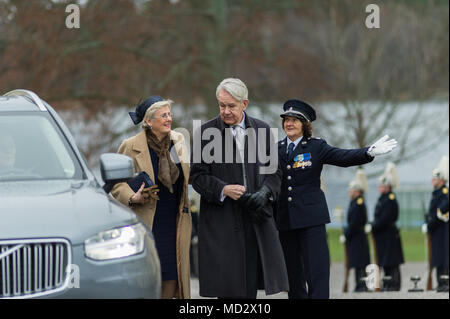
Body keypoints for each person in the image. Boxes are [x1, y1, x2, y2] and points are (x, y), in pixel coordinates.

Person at [275, 99, 397, 299]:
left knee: (317, 271)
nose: (289, 123)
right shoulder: (277, 148)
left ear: (304, 124)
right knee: (292, 273)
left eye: (294, 120)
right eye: (286, 120)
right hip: (285, 219)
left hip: (311, 219)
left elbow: (343, 157)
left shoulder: (315, 146)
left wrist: (368, 152)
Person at [190, 78, 289, 298]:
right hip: (221, 221)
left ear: (245, 104)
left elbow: (274, 172)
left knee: (250, 285)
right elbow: (197, 177)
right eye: (221, 105)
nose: (225, 111)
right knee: (227, 286)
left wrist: (266, 192)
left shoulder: (262, 130)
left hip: (255, 218)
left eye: (231, 106)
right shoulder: (205, 133)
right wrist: (224, 190)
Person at [111, 96, 192, 299]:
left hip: (175, 222)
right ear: (148, 121)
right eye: (163, 115)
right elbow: (115, 183)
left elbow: (188, 178)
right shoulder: (130, 146)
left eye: (169, 114)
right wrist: (132, 197)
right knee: (149, 279)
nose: (169, 119)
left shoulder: (179, 141)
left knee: (173, 276)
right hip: (147, 223)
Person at [367, 162, 404, 291]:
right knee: (384, 261)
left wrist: (374, 226)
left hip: (389, 235)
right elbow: (378, 216)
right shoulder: (382, 199)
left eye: (382, 186)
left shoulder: (390, 199)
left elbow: (386, 218)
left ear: (387, 187)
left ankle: (394, 284)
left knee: (391, 262)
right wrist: (372, 224)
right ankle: (387, 283)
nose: (380, 188)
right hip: (382, 235)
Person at [340, 169, 371, 292]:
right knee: (357, 262)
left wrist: (346, 234)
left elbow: (354, 223)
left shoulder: (358, 203)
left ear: (357, 191)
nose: (350, 192)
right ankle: (359, 284)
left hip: (358, 237)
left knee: (360, 262)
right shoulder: (354, 202)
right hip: (356, 237)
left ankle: (362, 285)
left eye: (352, 190)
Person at [423, 155, 449, 292]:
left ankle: (445, 281)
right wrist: (427, 221)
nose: (433, 181)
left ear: (441, 180)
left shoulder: (444, 192)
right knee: (437, 256)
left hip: (442, 229)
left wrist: (430, 223)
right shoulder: (436, 192)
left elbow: (441, 211)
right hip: (436, 229)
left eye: (435, 179)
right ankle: (440, 282)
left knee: (444, 255)